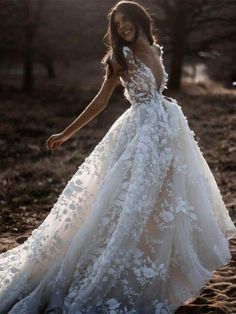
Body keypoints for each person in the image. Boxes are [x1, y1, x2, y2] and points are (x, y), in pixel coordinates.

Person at [0, 1, 235, 313]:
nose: (123, 28)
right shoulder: (120, 57)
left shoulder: (155, 48)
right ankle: (108, 270)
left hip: (167, 131)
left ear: (140, 20)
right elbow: (100, 100)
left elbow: (158, 90)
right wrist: (67, 133)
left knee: (164, 203)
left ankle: (157, 276)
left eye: (127, 21)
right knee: (128, 204)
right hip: (140, 135)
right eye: (118, 24)